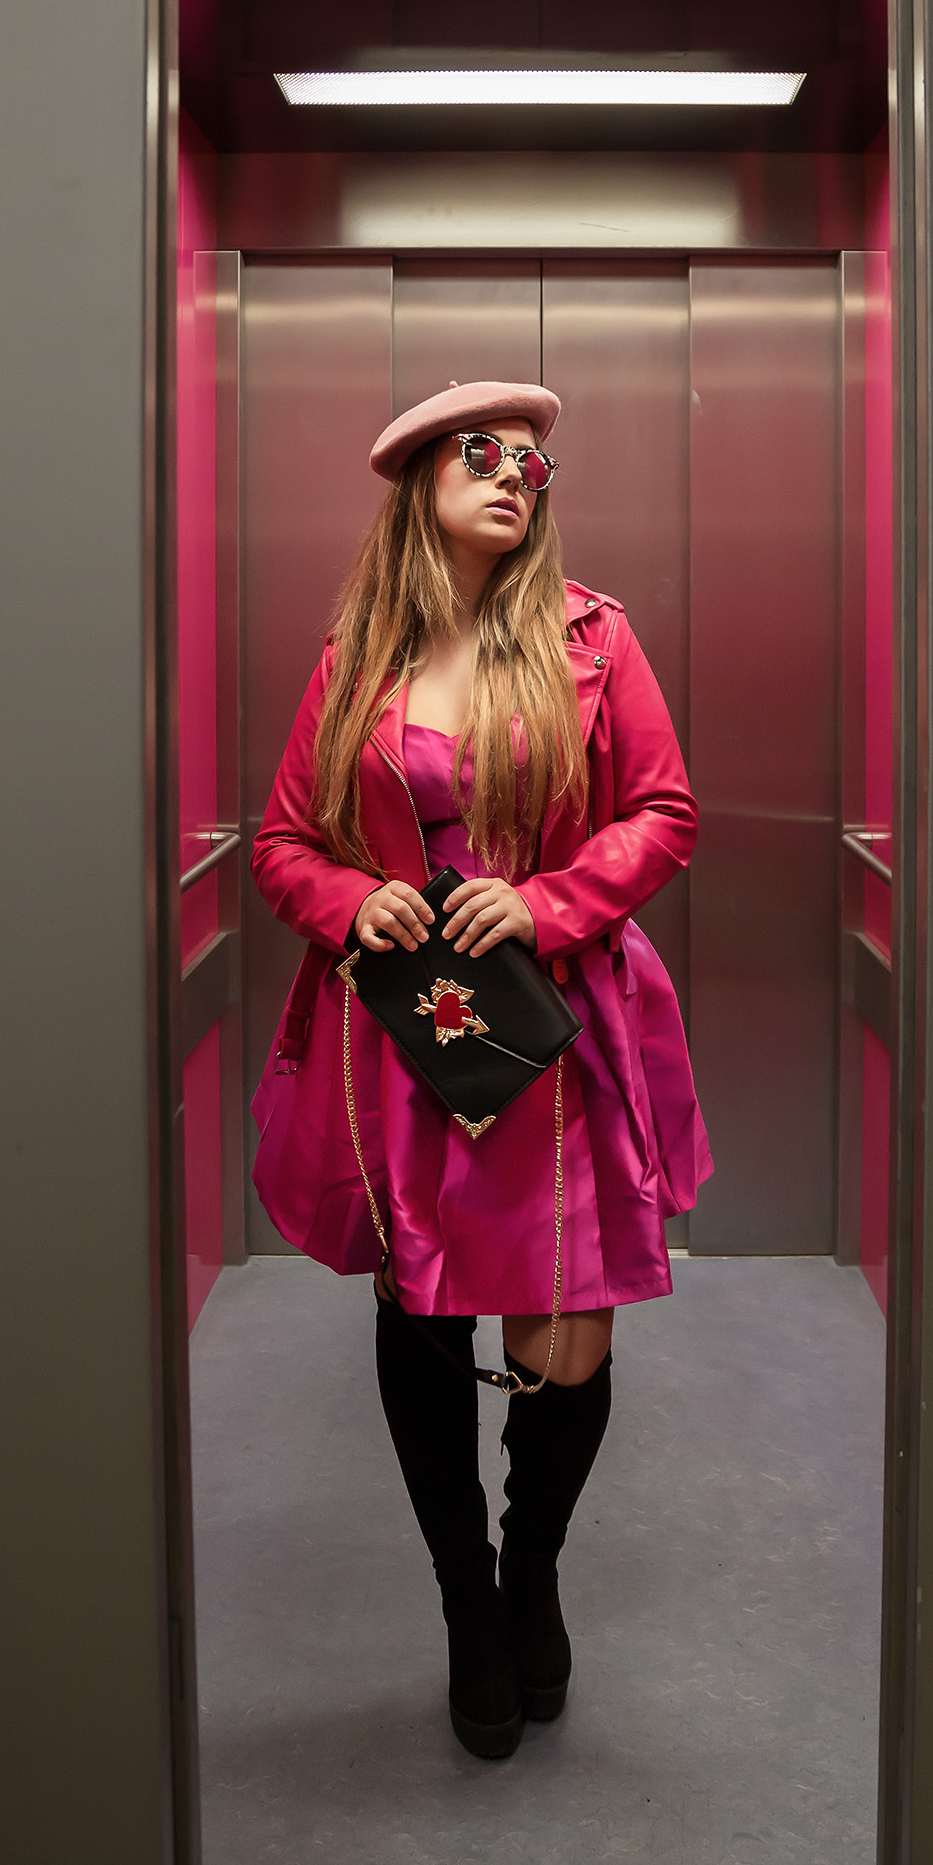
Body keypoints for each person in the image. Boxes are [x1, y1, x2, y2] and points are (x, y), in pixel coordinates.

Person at [250, 377, 711, 1759]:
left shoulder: (593, 638)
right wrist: (349, 904)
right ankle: (468, 1606)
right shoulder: (356, 662)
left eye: (535, 462)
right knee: (425, 1309)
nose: (517, 473)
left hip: (557, 1028)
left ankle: (534, 1572)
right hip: (411, 1038)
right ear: (420, 485)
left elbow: (667, 812)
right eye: (484, 453)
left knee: (564, 1333)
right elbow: (284, 845)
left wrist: (555, 901)